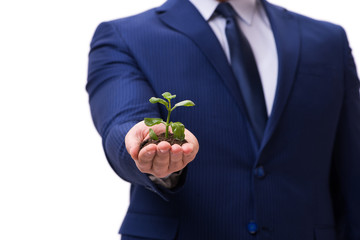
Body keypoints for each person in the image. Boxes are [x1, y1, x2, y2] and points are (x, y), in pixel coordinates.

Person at [86, 0, 360, 239]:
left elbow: (351, 169)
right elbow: (122, 120)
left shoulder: (328, 41)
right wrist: (148, 149)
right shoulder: (124, 36)